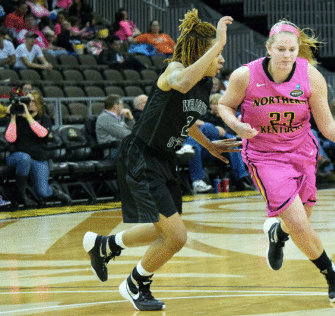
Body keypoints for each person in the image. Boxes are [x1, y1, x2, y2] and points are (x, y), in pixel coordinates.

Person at [83, 10, 237, 311]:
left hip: (165, 160)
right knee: (176, 237)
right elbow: (180, 83)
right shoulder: (175, 69)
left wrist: (209, 144)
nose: (220, 59)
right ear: (200, 52)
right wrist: (218, 43)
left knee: (161, 231)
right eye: (216, 53)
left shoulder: (205, 86)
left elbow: (188, 120)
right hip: (141, 155)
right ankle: (134, 284)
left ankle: (105, 246)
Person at [217, 20, 335, 303]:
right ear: (268, 48)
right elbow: (223, 104)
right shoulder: (245, 75)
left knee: (299, 222)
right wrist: (236, 125)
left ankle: (278, 234)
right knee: (300, 224)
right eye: (281, 49)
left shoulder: (311, 76)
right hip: (264, 156)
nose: (287, 55)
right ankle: (332, 275)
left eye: (292, 49)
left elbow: (328, 127)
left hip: (301, 153)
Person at [4, 89, 72, 207]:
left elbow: (42, 134)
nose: (29, 103)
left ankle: (57, 193)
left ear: (39, 104)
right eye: (27, 101)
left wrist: (28, 116)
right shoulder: (17, 119)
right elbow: (10, 139)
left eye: (33, 101)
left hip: (38, 158)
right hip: (17, 157)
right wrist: (13, 118)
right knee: (24, 158)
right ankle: (22, 193)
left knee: (42, 191)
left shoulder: (44, 118)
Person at [178, 93, 254, 193]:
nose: (214, 106)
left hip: (223, 148)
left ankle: (241, 179)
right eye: (212, 104)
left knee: (231, 142)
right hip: (207, 148)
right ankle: (241, 178)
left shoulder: (230, 117)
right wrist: (214, 127)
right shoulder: (205, 116)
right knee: (207, 128)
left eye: (217, 103)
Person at [95, 94, 134, 159]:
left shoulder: (119, 117)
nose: (123, 107)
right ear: (115, 106)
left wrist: (130, 119)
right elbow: (124, 134)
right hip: (113, 151)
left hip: (123, 148)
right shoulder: (105, 118)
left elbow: (133, 131)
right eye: (121, 104)